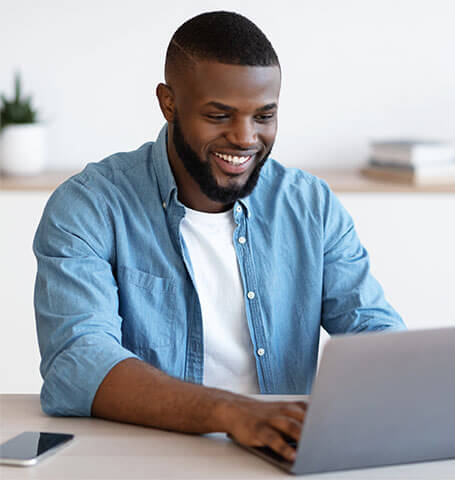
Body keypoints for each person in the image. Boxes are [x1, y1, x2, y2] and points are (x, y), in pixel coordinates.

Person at [33, 11, 405, 462]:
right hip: (144, 459)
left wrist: (400, 380)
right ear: (169, 103)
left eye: (264, 115)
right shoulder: (90, 205)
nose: (245, 138)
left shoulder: (310, 204)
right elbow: (79, 363)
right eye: (218, 115)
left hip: (281, 456)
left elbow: (371, 326)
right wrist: (233, 413)